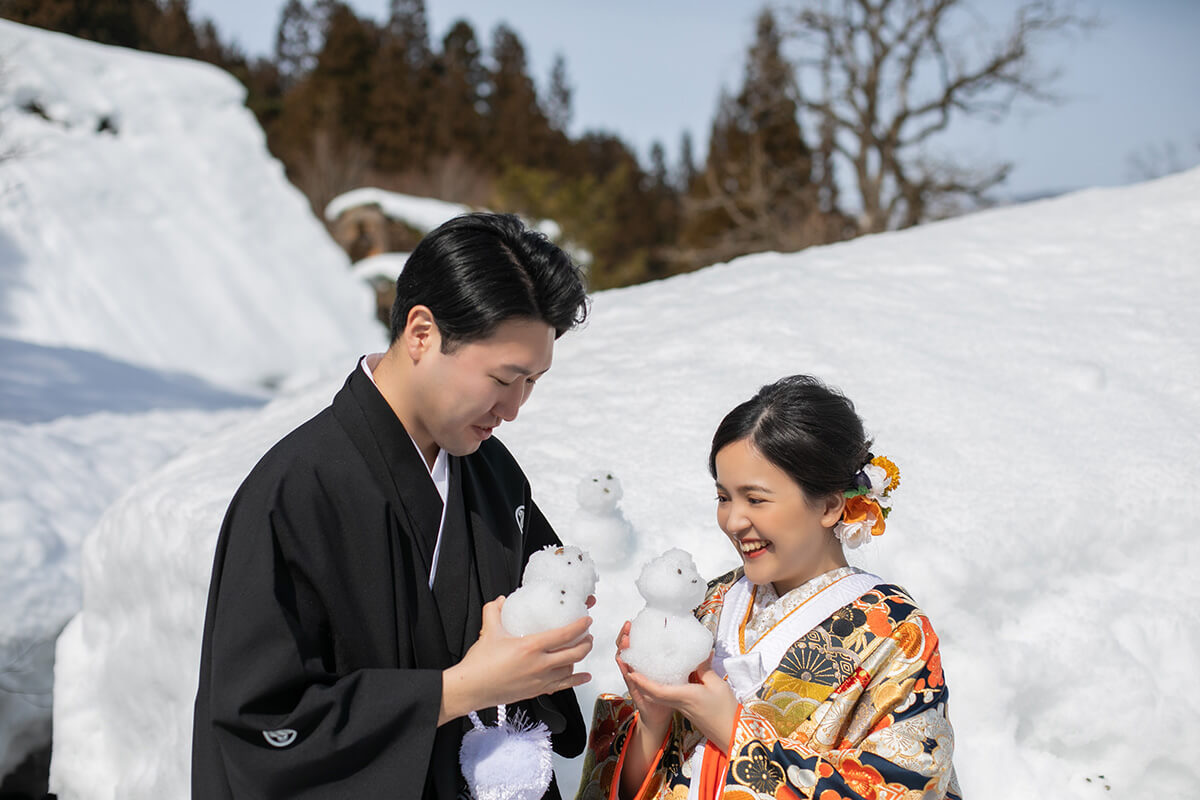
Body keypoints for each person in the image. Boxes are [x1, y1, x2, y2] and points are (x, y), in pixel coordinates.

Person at [192, 213, 595, 799]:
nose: (513, 409)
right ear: (422, 333)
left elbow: (529, 646)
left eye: (532, 381)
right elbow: (260, 723)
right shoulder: (293, 494)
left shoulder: (495, 475)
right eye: (504, 378)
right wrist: (458, 690)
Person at [577, 376, 961, 800]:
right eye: (724, 498)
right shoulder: (707, 603)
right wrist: (653, 720)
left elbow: (903, 786)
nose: (734, 521)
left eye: (755, 499)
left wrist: (732, 731)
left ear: (831, 504)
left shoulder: (895, 633)